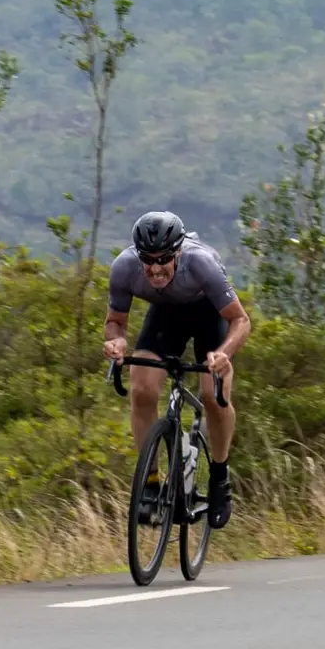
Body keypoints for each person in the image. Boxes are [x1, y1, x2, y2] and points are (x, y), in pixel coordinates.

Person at [103, 211, 251, 530]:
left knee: (214, 397)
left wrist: (224, 354)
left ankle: (220, 477)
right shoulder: (124, 268)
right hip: (166, 316)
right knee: (142, 389)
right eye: (148, 260)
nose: (155, 268)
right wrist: (115, 343)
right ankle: (152, 483)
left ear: (178, 251)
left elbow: (241, 321)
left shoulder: (201, 264)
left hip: (209, 314)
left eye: (164, 259)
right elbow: (116, 321)